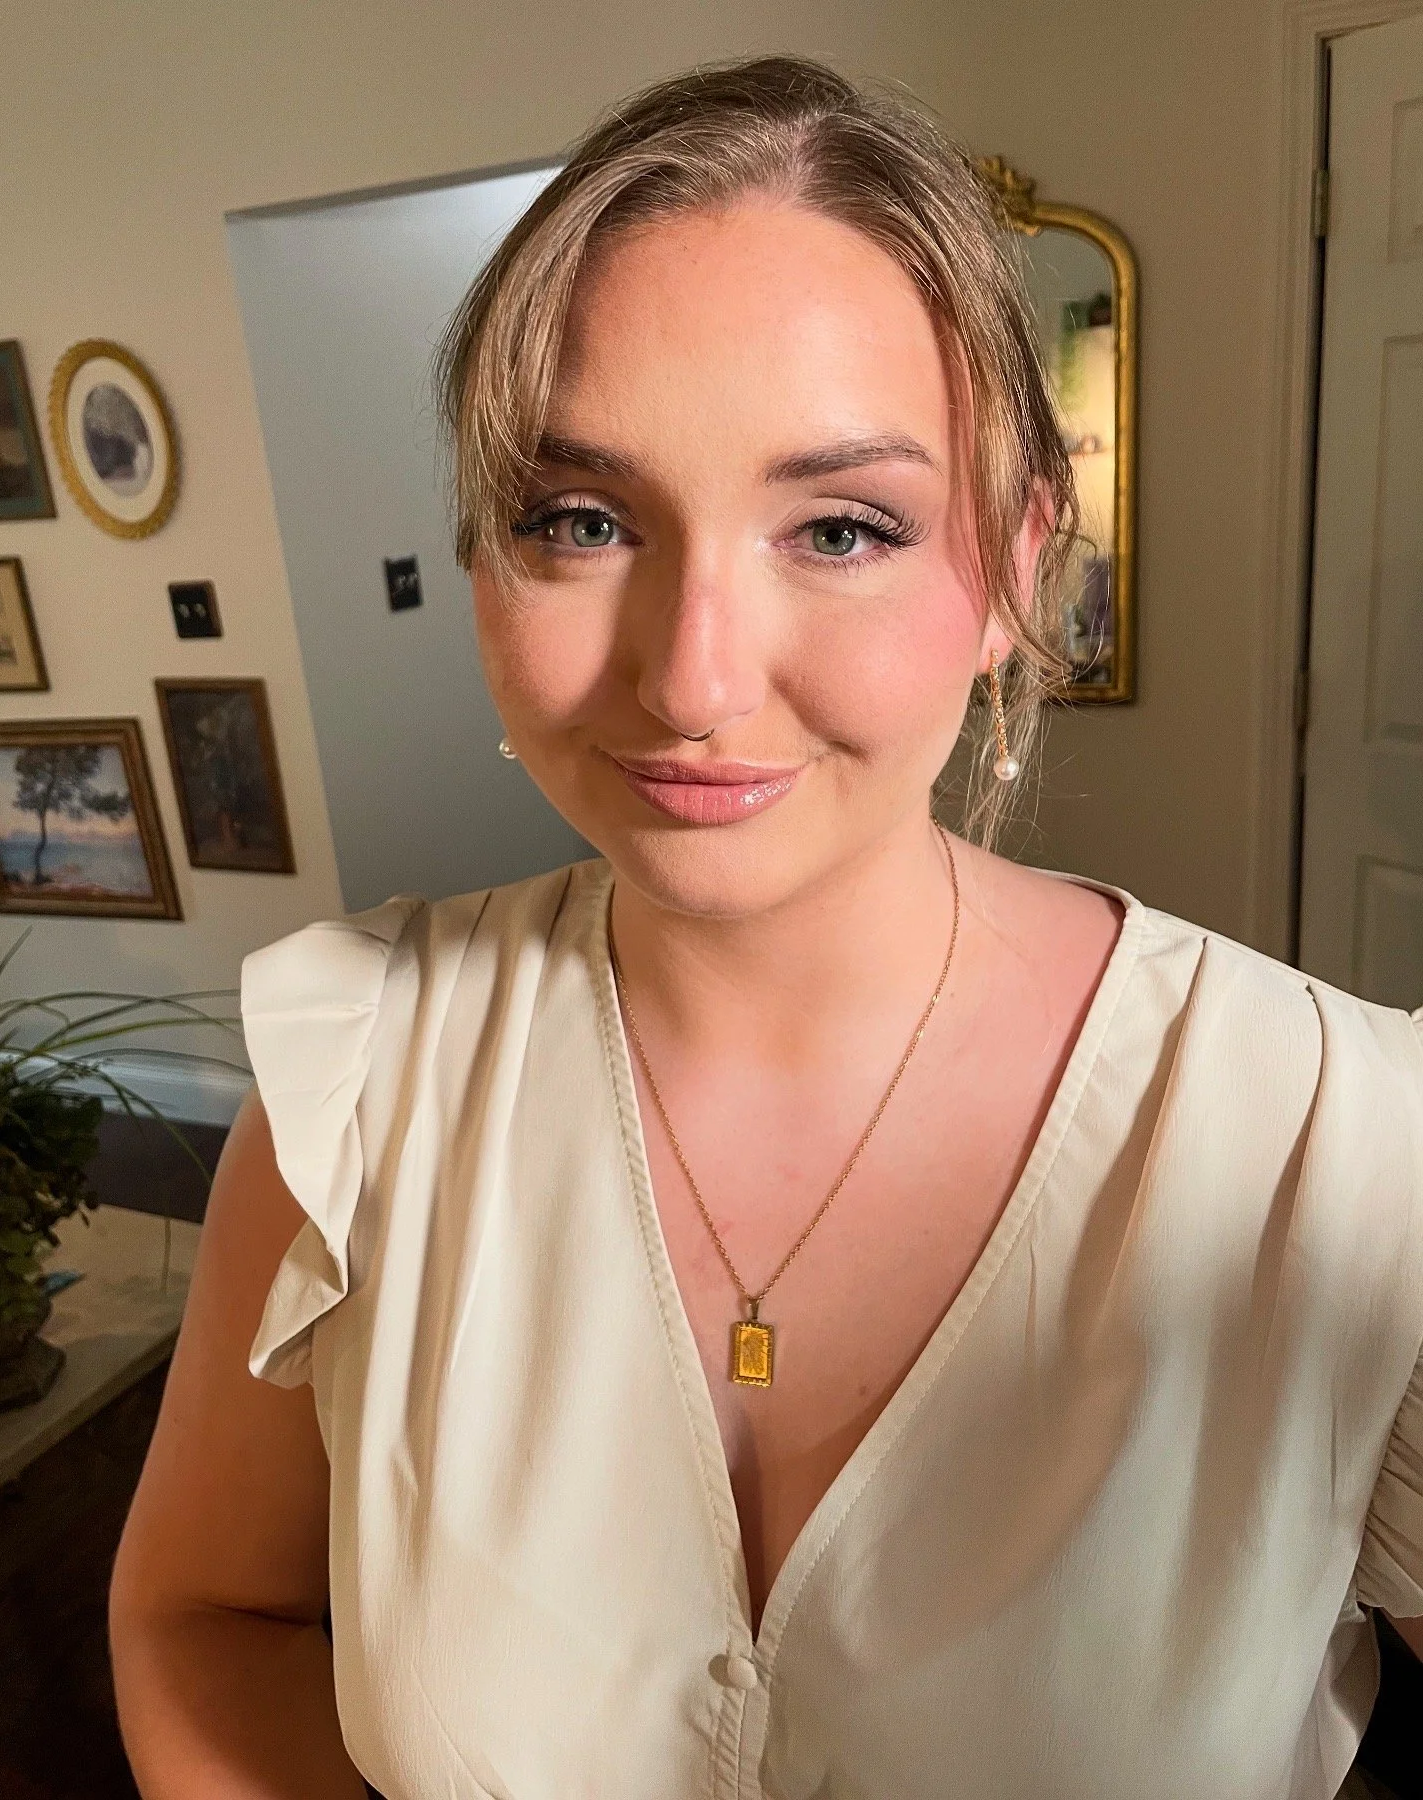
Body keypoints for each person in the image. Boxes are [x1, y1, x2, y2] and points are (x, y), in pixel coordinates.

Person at [108, 56, 1423, 1800]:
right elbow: (205, 1615)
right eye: (583, 521)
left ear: (1017, 567)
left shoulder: (1355, 1156)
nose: (692, 677)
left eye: (841, 528)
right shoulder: (353, 1092)